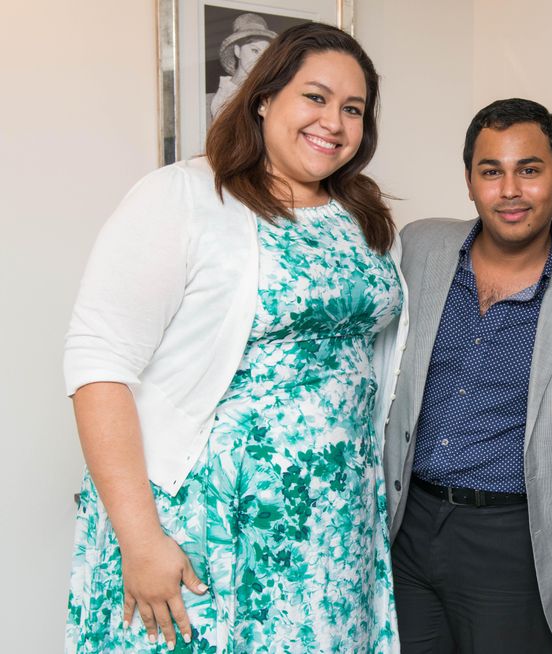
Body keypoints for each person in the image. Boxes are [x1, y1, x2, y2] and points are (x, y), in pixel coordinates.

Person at [64, 23, 406, 653]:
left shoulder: (362, 216)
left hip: (334, 525)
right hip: (209, 522)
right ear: (263, 98)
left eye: (353, 108)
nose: (334, 122)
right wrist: (140, 541)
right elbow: (98, 365)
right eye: (315, 97)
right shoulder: (184, 195)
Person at [383, 98, 552, 653]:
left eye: (529, 170)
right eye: (491, 172)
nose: (510, 190)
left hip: (519, 544)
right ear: (470, 181)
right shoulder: (418, 248)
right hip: (406, 525)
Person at [209, 13, 276, 121]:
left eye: (265, 54)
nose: (260, 60)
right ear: (237, 51)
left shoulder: (263, 90)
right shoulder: (225, 96)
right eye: (255, 50)